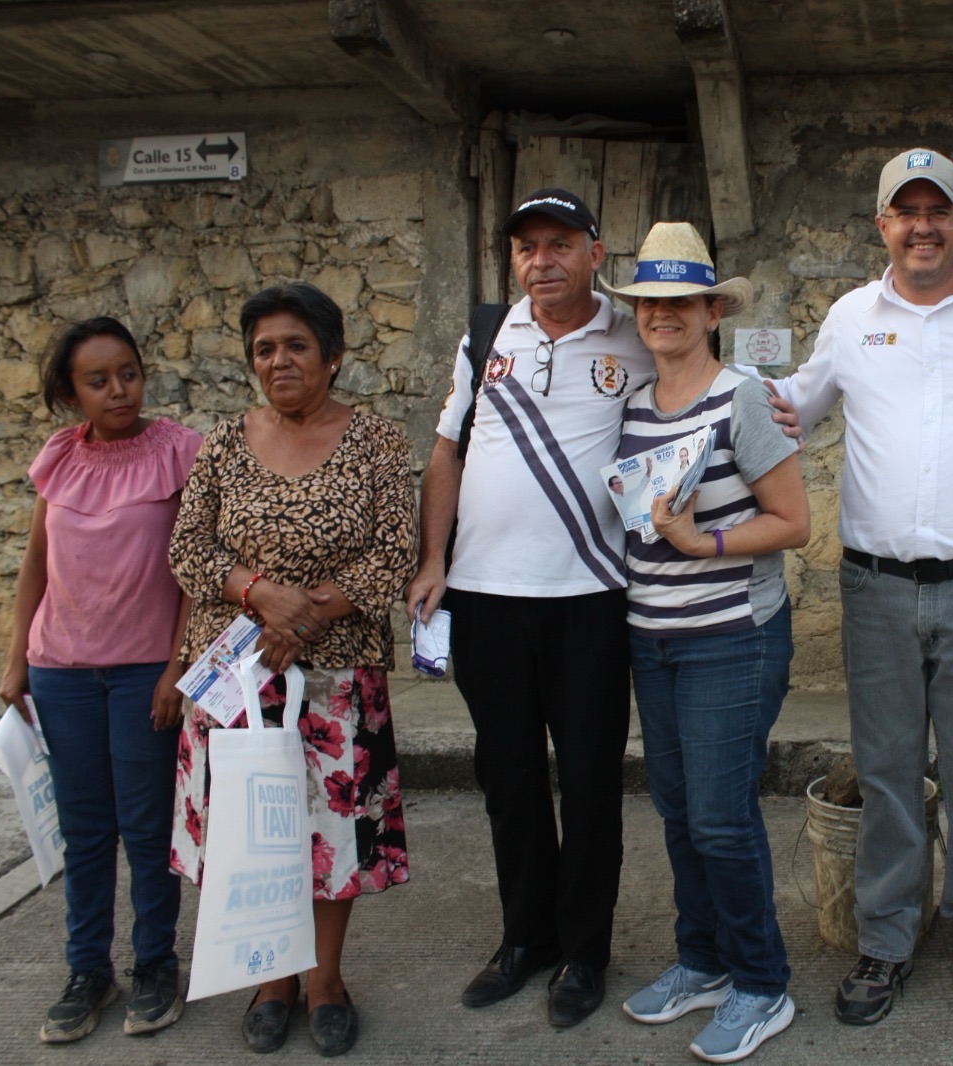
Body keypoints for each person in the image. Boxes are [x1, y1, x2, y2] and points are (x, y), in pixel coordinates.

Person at [768, 148, 953, 1032]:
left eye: (939, 210)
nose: (922, 226)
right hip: (876, 588)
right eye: (904, 211)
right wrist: (686, 385)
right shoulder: (851, 317)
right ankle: (885, 939)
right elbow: (791, 410)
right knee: (885, 774)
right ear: (880, 223)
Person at [402, 188, 654, 1028]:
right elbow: (447, 447)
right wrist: (433, 557)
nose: (540, 260)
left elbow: (682, 416)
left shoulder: (632, 332)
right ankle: (525, 940)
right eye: (526, 247)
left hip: (590, 599)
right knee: (507, 781)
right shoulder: (485, 333)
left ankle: (584, 952)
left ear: (594, 249)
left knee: (588, 787)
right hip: (485, 601)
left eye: (558, 244)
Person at [169, 283, 417, 1057]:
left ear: (332, 356)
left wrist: (304, 614)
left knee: (329, 832)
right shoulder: (222, 442)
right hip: (236, 677)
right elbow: (189, 550)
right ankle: (268, 976)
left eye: (296, 345)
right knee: (248, 832)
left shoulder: (377, 442)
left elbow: (394, 552)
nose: (278, 359)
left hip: (338, 676)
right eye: (264, 348)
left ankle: (324, 981)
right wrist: (258, 595)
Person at [601, 223, 809, 1063]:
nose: (665, 315)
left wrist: (705, 545)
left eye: (682, 301)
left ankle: (763, 984)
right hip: (652, 638)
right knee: (680, 813)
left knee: (723, 819)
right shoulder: (631, 408)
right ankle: (703, 961)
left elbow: (794, 522)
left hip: (733, 637)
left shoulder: (744, 397)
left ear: (713, 310)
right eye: (651, 302)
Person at [0, 318, 201, 1044]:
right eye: (98, 380)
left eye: (128, 373)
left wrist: (178, 667)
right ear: (69, 392)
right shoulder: (59, 457)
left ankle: (154, 965)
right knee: (84, 831)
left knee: (147, 828)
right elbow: (35, 564)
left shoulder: (180, 452)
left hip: (146, 670)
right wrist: (17, 656)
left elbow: (194, 574)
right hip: (61, 671)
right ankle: (87, 970)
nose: (118, 390)